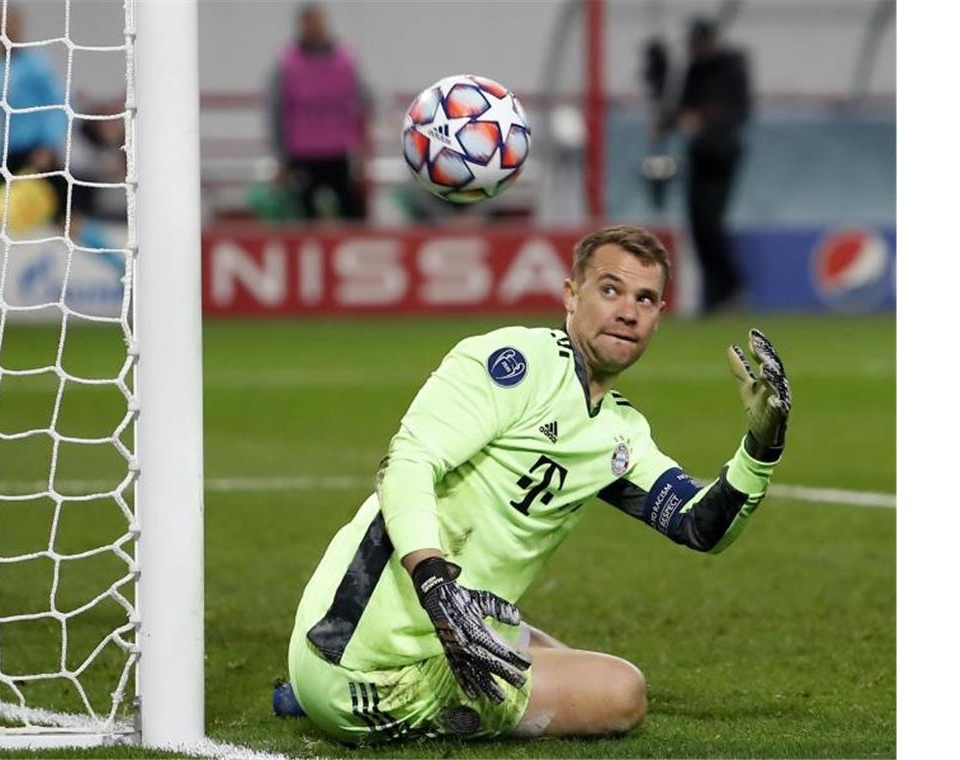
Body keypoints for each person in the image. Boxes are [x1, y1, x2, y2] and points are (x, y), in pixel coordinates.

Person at [279, 224, 792, 744]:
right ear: (572, 295)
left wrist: (761, 446)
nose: (628, 311)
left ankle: (316, 690)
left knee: (548, 651)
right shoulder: (514, 364)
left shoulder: (619, 434)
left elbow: (699, 525)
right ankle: (365, 702)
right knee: (622, 693)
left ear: (658, 317)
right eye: (610, 289)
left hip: (381, 640)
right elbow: (408, 463)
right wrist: (434, 580)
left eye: (646, 299)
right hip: (371, 669)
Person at [657, 17, 752, 313]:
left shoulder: (731, 69)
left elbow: (735, 112)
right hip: (698, 156)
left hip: (722, 156)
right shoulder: (694, 71)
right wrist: (669, 122)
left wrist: (703, 120)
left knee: (710, 225)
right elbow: (683, 107)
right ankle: (716, 294)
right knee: (698, 227)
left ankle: (731, 290)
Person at [267, 3, 368, 221]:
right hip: (302, 153)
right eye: (310, 23)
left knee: (353, 214)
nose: (315, 28)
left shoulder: (346, 60)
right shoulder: (287, 64)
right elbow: (276, 111)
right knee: (304, 216)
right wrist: (279, 157)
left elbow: (363, 103)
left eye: (318, 22)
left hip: (340, 151)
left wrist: (362, 151)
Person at [0, 4, 69, 225]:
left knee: (67, 221)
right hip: (8, 155)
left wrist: (48, 146)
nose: (4, 29)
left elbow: (59, 104)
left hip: (36, 152)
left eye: (10, 24)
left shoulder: (36, 65)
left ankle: (117, 259)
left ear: (19, 27)